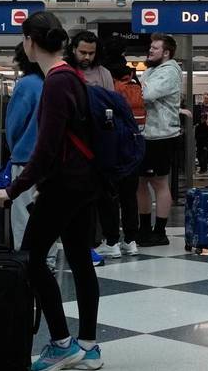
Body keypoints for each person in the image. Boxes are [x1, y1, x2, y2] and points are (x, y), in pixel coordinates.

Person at [0, 12, 102, 371]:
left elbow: (47, 149)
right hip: (83, 183)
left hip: (63, 185)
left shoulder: (55, 82)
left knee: (32, 258)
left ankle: (62, 342)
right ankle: (88, 345)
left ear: (30, 42)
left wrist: (12, 189)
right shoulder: (74, 77)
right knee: (81, 260)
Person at [92, 48, 142, 259]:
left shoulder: (108, 89)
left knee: (109, 196)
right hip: (132, 147)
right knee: (129, 196)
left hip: (111, 148)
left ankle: (111, 241)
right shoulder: (134, 85)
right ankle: (131, 241)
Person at [136, 32, 182, 246]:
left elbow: (144, 95)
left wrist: (139, 88)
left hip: (161, 136)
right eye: (150, 48)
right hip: (148, 134)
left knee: (159, 182)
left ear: (166, 52)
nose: (150, 51)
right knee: (141, 182)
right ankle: (144, 228)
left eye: (155, 48)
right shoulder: (154, 70)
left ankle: (160, 231)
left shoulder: (169, 71)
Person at [4, 43, 44, 253]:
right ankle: (47, 257)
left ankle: (28, 260)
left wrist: (15, 148)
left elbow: (15, 124)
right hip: (51, 160)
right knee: (45, 214)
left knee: (23, 214)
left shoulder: (27, 84)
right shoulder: (55, 81)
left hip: (25, 158)